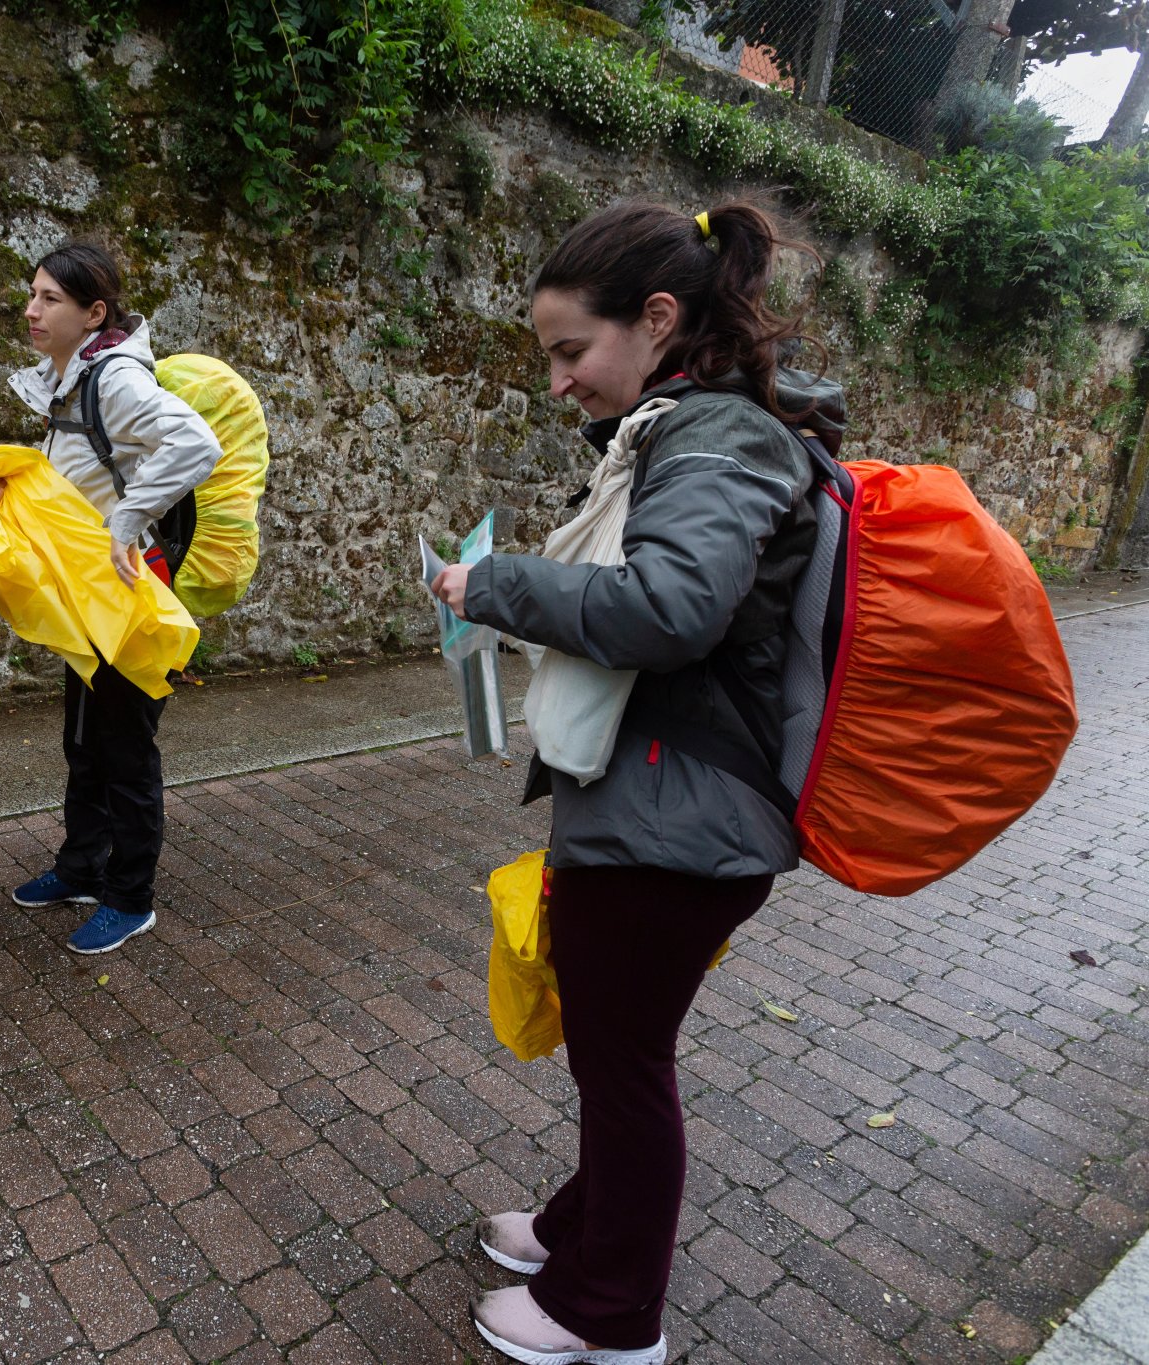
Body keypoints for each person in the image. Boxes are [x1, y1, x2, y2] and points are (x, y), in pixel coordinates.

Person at [432, 201, 845, 1365]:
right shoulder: (700, 427)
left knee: (625, 1073)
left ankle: (607, 1317)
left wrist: (494, 586)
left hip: (678, 826)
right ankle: (575, 1234)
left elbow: (668, 609)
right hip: (668, 811)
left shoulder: (713, 437)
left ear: (657, 319)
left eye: (571, 351)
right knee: (618, 1055)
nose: (558, 383)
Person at [0, 241, 221, 954]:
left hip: (130, 586)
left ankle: (130, 894)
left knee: (125, 745)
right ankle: (82, 866)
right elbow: (83, 472)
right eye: (31, 295)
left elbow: (196, 443)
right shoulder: (65, 377)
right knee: (85, 738)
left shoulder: (115, 378)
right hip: (89, 591)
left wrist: (126, 519)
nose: (32, 310)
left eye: (50, 299)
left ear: (94, 312)